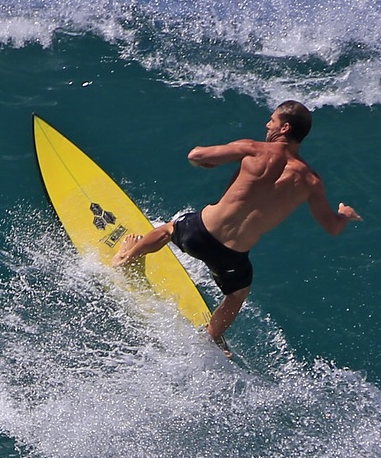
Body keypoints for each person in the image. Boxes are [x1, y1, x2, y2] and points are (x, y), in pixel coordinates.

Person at [111, 100, 362, 352]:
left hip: (199, 233)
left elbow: (195, 155)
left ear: (284, 128)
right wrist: (344, 215)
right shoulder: (311, 180)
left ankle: (127, 257)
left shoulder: (254, 149)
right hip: (232, 257)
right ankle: (213, 336)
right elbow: (332, 227)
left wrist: (203, 162)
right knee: (238, 294)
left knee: (169, 229)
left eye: (272, 120)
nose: (267, 124)